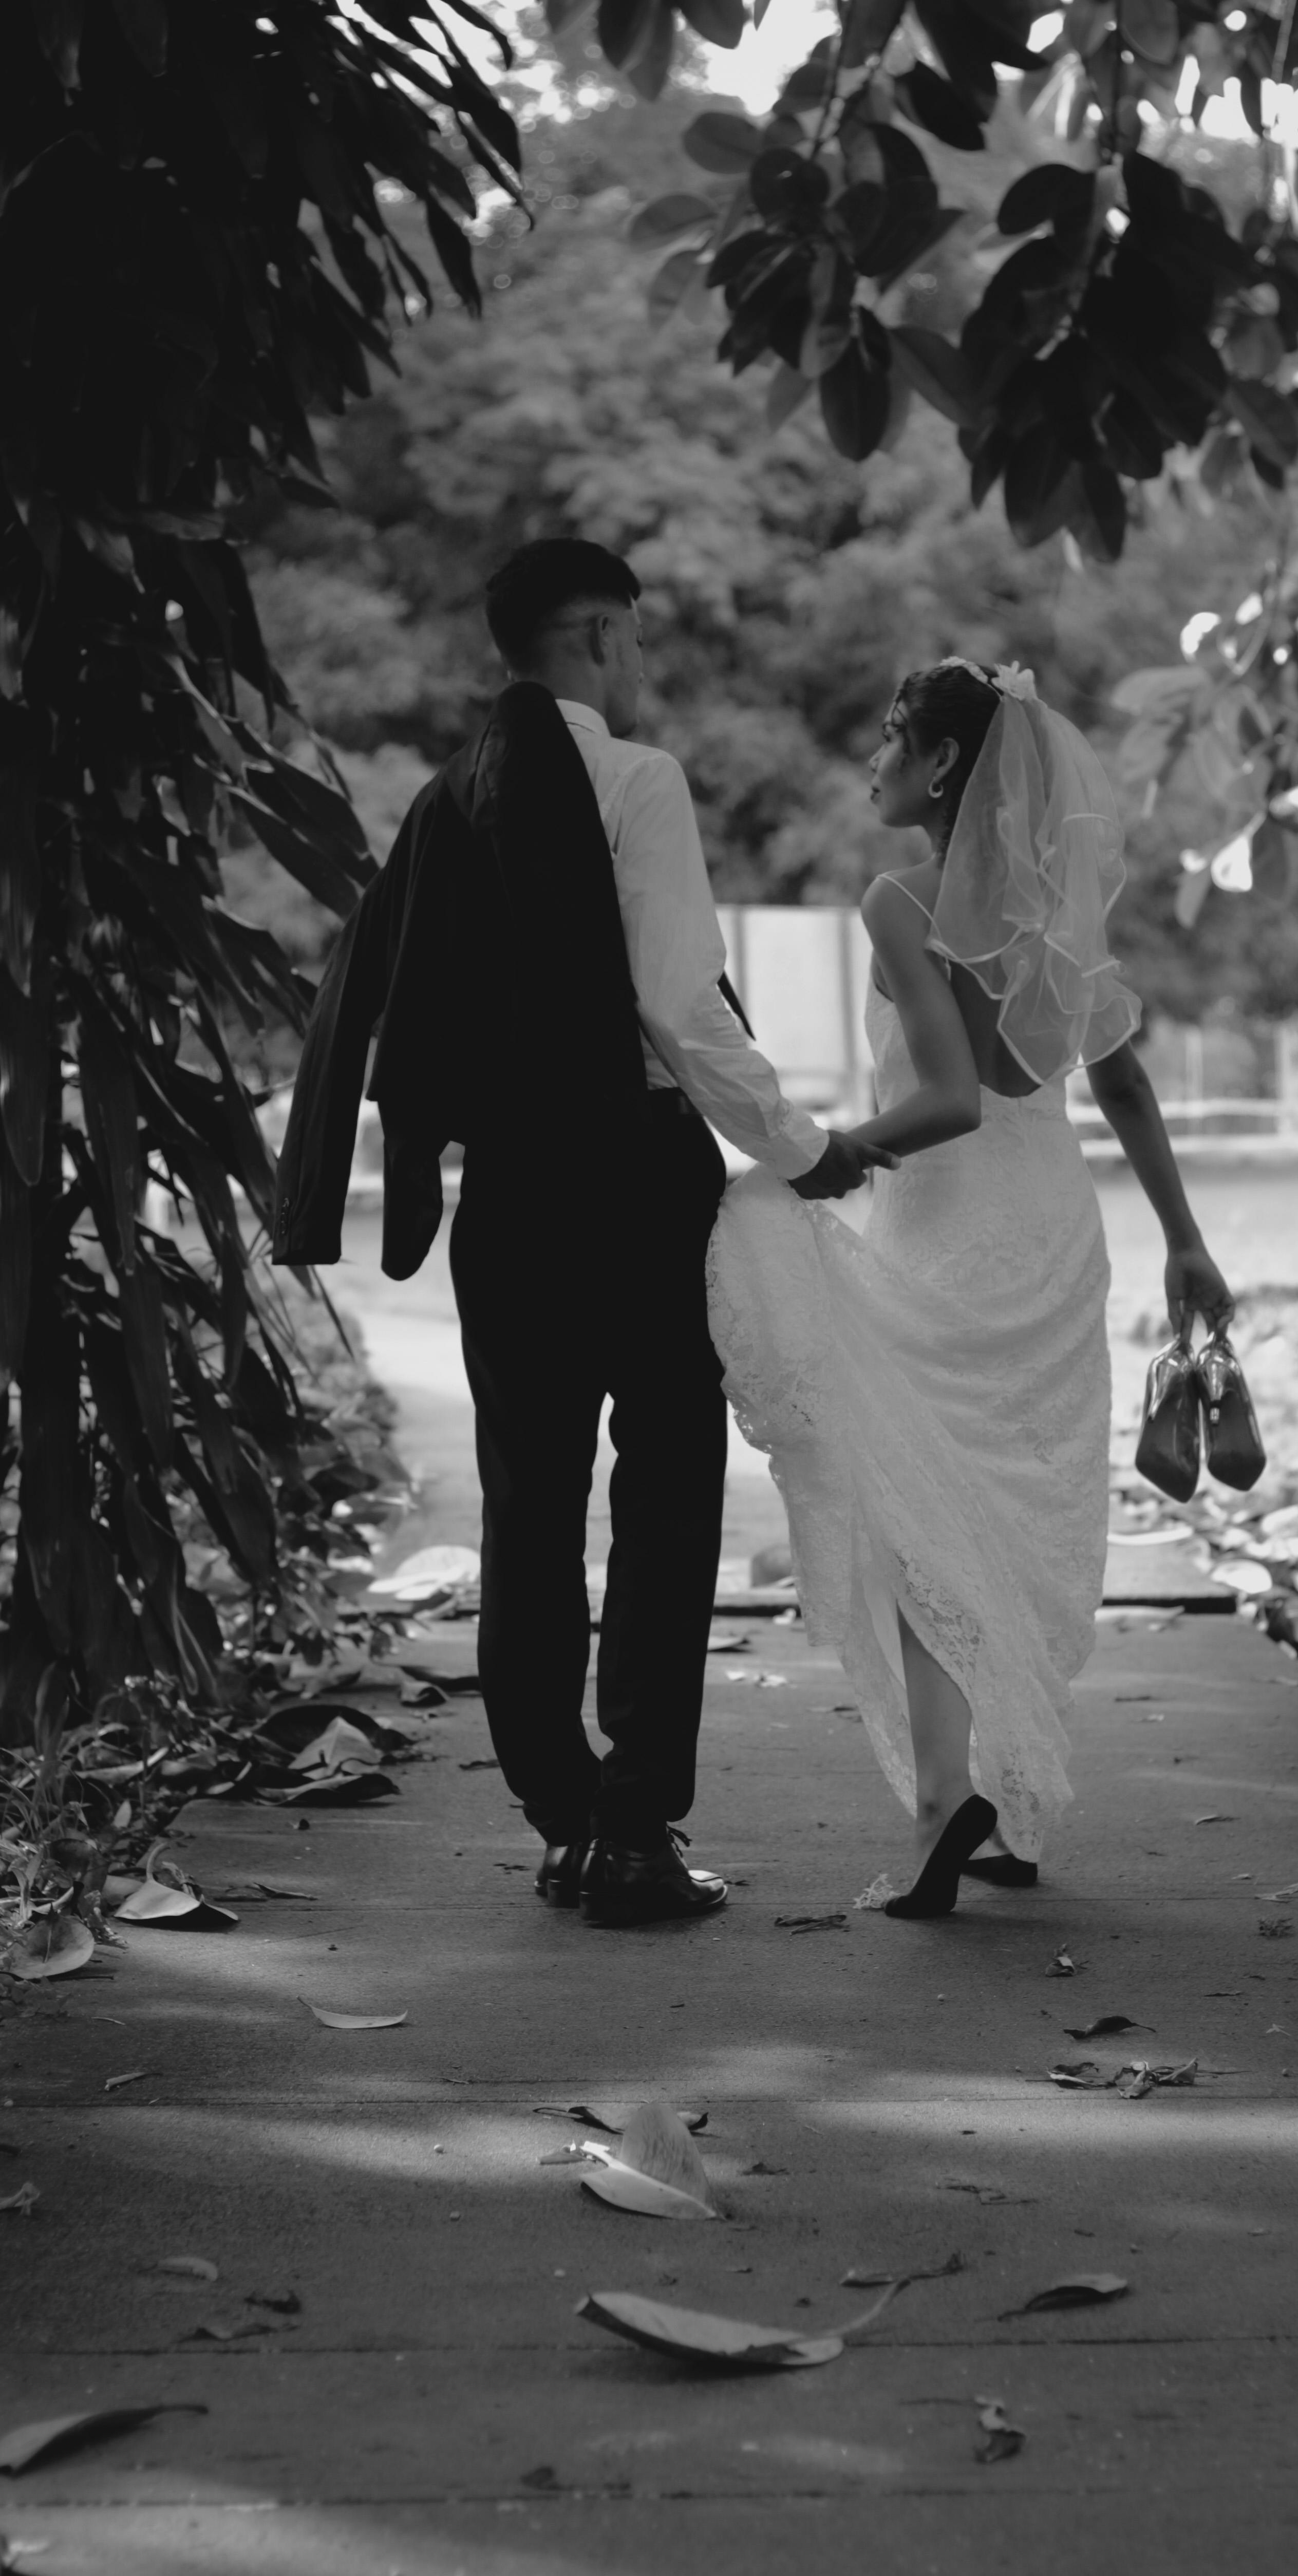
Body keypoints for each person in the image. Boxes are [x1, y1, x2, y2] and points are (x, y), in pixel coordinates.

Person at [271, 539, 894, 1929]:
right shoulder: (635, 780)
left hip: (510, 1198)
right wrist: (802, 1149)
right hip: (634, 1175)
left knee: (530, 1508)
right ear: (602, 633)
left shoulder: (450, 800)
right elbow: (682, 1004)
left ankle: (561, 1816)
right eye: (632, 637)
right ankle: (637, 1828)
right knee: (668, 1499)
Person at [706, 656, 1234, 1917]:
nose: (875, 755)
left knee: (911, 1515)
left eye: (895, 734)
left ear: (946, 763)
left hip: (946, 1231)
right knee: (1005, 1516)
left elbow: (948, 1100)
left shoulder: (904, 901)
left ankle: (952, 1802)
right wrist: (1185, 1239)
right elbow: (1121, 1086)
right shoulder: (1055, 909)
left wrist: (825, 1157)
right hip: (1051, 1232)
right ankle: (1003, 1798)